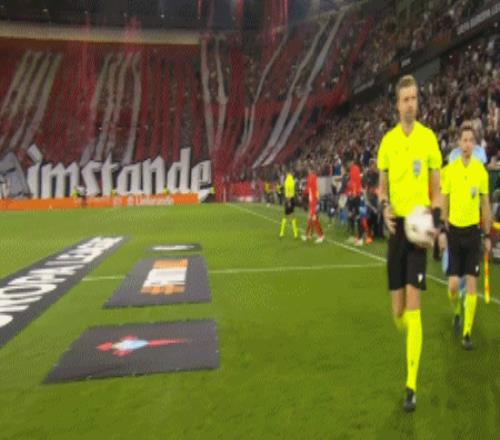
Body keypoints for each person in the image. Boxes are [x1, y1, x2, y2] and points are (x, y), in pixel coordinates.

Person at [377, 75, 442, 412]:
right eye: (405, 99)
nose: (410, 104)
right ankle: (405, 326)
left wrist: (436, 223)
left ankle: (411, 386)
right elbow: (382, 187)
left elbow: (437, 190)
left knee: (414, 309)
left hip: (419, 233)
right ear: (397, 104)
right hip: (397, 232)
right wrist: (384, 206)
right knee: (398, 312)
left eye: (414, 98)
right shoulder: (387, 142)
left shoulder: (428, 139)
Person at [439, 121, 491, 350]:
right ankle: (457, 311)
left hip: (472, 233)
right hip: (454, 232)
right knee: (452, 286)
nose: (467, 144)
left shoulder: (481, 172)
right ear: (458, 144)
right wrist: (442, 231)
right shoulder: (450, 171)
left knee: (471, 284)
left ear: (474, 144)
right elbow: (444, 202)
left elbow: (485, 205)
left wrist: (487, 235)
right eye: (464, 140)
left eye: (471, 141)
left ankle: (467, 333)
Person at [301, 163, 324, 243]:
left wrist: (316, 199)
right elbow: (308, 189)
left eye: (308, 169)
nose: (307, 171)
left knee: (313, 219)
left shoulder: (313, 177)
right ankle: (308, 235)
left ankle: (320, 236)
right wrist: (304, 192)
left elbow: (315, 189)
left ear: (310, 170)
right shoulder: (310, 177)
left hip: (313, 201)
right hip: (311, 201)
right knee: (310, 219)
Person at [279, 170, 299, 239]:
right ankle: (295, 234)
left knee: (286, 216)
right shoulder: (292, 181)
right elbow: (292, 191)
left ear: (287, 174)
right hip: (292, 199)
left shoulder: (287, 181)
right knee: (292, 216)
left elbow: (288, 192)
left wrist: (288, 201)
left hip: (288, 199)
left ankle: (281, 233)